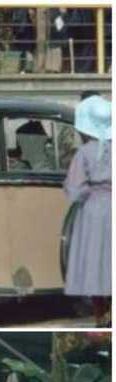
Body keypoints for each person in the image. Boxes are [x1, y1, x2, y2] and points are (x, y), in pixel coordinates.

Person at [63, 95, 111, 326]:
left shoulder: (83, 153)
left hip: (94, 208)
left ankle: (101, 313)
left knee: (94, 259)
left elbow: (76, 189)